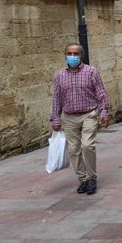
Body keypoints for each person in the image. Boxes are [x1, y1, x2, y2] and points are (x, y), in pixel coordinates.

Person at [51, 42, 110, 195]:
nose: (72, 56)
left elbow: (101, 93)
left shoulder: (91, 72)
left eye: (76, 53)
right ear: (65, 55)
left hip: (88, 114)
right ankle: (82, 179)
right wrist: (55, 119)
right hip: (68, 116)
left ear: (81, 56)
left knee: (87, 145)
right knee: (73, 149)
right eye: (69, 53)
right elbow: (56, 98)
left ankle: (91, 178)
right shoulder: (60, 75)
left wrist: (104, 112)